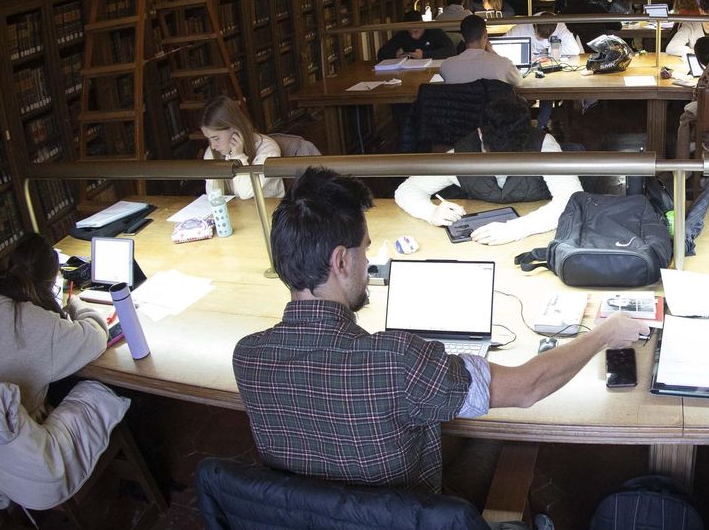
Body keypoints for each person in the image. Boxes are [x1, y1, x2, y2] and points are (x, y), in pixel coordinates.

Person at [233, 167, 642, 500]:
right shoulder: (398, 361)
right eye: (365, 249)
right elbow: (527, 388)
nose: (368, 262)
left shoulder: (247, 356)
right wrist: (604, 334)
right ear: (341, 262)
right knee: (501, 437)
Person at [394, 95, 579, 244]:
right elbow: (408, 189)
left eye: (511, 153)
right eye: (495, 152)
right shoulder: (461, 154)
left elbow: (571, 200)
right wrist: (430, 213)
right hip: (481, 239)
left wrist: (515, 229)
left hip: (539, 235)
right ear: (480, 134)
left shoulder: (544, 146)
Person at [0, 234, 109, 415]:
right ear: (50, 282)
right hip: (23, 425)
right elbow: (98, 337)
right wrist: (76, 304)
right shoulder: (41, 326)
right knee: (104, 389)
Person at [202, 95, 285, 199]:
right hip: (236, 209)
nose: (213, 146)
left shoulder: (268, 149)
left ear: (235, 129)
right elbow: (213, 196)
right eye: (209, 139)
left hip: (269, 208)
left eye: (216, 138)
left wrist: (238, 157)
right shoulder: (212, 152)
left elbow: (246, 192)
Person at [441, 14, 523, 86]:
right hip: (492, 100)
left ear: (462, 37)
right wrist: (493, 53)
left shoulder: (446, 66)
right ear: (485, 34)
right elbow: (518, 81)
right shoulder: (503, 64)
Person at [377, 9, 456, 62]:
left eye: (416, 31)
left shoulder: (434, 32)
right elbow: (381, 54)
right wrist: (395, 55)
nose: (413, 36)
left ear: (422, 25)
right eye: (410, 33)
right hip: (410, 70)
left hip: (433, 68)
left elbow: (451, 51)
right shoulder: (403, 34)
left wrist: (424, 55)